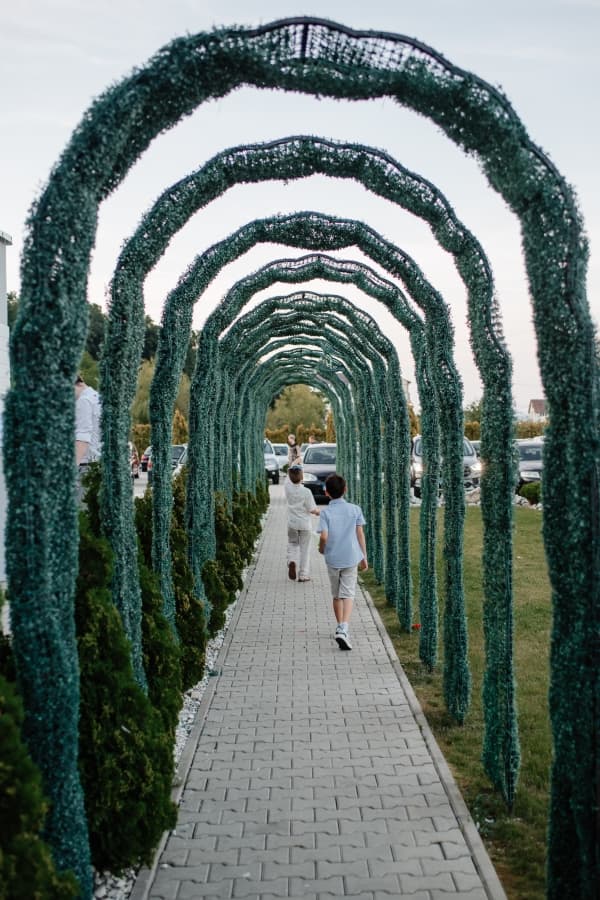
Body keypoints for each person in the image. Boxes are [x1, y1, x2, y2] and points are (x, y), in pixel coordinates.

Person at [317, 473, 368, 651]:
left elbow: (324, 536)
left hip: (333, 559)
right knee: (348, 593)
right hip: (350, 557)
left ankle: (340, 626)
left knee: (337, 594)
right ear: (345, 489)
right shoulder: (355, 509)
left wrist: (322, 548)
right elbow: (360, 534)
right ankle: (344, 628)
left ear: (326, 492)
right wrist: (364, 557)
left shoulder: (325, 513)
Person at [285, 463, 319, 582]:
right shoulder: (306, 491)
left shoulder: (287, 488)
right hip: (304, 524)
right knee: (305, 549)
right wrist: (318, 512)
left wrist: (293, 465)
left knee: (292, 544)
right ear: (302, 476)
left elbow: (288, 476)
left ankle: (292, 560)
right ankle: (303, 574)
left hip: (292, 523)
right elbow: (312, 509)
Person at [75, 374, 102, 502]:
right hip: (98, 466)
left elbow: (82, 440)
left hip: (85, 468)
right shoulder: (97, 397)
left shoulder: (83, 401)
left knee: (79, 511)